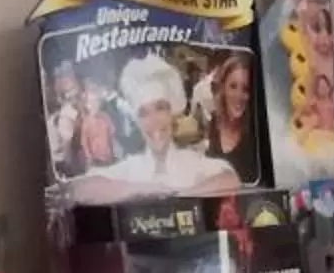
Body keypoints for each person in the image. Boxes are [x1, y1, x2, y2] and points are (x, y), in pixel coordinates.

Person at [87, 55, 238, 197]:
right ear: (137, 122)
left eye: (160, 108)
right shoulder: (131, 168)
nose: (154, 120)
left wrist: (178, 197)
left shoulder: (192, 163)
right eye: (144, 113)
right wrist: (141, 190)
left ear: (172, 113)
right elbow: (82, 188)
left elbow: (229, 178)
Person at [201, 52, 265, 183]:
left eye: (246, 89)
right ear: (223, 88)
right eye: (233, 86)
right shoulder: (215, 121)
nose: (239, 96)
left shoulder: (257, 132)